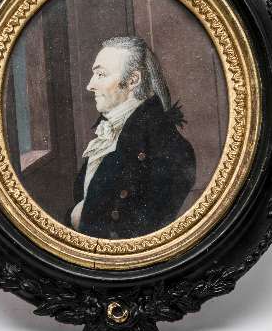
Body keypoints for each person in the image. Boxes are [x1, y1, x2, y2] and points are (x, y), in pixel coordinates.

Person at [68, 36, 196, 239]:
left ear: (133, 80)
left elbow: (139, 238)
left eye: (101, 74)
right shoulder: (110, 132)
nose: (90, 85)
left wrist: (82, 218)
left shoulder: (171, 151)